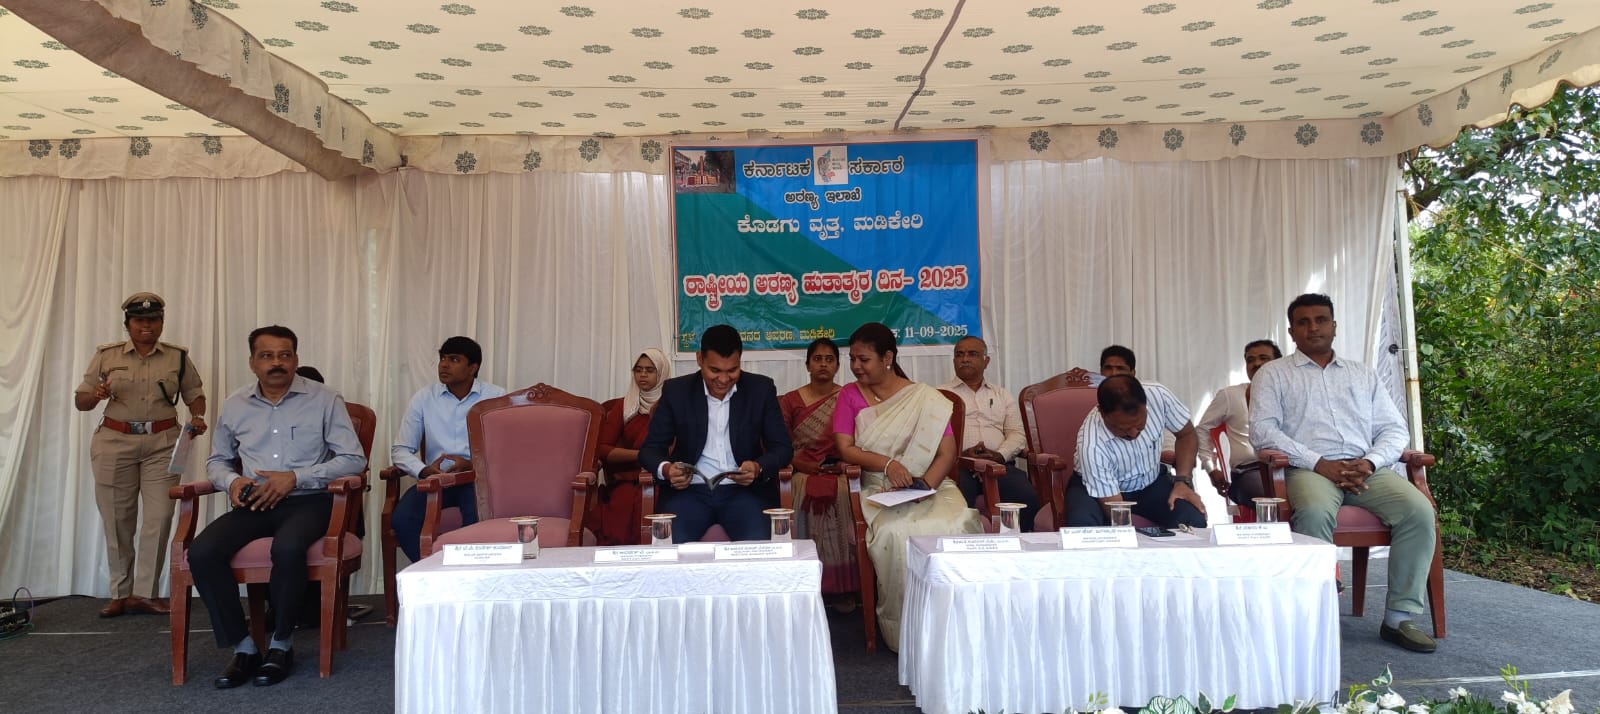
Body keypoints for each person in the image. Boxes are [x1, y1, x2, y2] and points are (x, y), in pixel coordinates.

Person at [1250, 293, 1438, 654]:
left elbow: (1394, 428)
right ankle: (1316, 616)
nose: (1313, 328)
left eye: (1321, 320)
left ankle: (1399, 617)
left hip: (1364, 468)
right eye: (1303, 322)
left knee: (1418, 512)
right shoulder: (1272, 374)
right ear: (1291, 331)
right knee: (1314, 512)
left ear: (1334, 326)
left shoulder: (1361, 373)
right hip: (1308, 469)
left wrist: (1370, 462)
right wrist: (1320, 462)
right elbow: (1264, 431)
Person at [193, 325, 366, 688]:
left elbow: (354, 459)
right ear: (252, 362)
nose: (276, 363)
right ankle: (244, 648)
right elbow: (217, 460)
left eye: (284, 355)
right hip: (255, 502)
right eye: (267, 356)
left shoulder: (325, 399)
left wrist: (296, 477)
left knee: (287, 548)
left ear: (296, 360)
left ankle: (281, 644)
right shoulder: (235, 404)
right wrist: (232, 481)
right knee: (203, 551)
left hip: (310, 501)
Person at [834, 323, 983, 651]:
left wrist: (923, 486)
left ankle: (957, 624)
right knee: (895, 533)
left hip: (931, 484)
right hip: (880, 488)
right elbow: (845, 449)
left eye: (863, 359)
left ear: (887, 358)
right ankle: (908, 630)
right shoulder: (849, 395)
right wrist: (888, 464)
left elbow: (947, 453)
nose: (856, 366)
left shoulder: (925, 398)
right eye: (852, 359)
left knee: (958, 524)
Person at [73, 291, 207, 618]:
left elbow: (194, 393)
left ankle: (145, 594)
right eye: (139, 320)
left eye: (153, 320)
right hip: (114, 443)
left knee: (160, 518)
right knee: (118, 519)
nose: (146, 325)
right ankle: (120, 594)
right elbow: (81, 401)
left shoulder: (177, 357)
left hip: (163, 443)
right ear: (128, 324)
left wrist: (198, 416)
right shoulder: (106, 356)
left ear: (161, 322)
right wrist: (97, 394)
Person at [639, 325, 793, 542]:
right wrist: (667, 470)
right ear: (699, 359)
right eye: (715, 370)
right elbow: (650, 450)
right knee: (671, 547)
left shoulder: (760, 389)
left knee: (759, 546)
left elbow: (783, 448)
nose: (723, 379)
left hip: (745, 493)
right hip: (689, 493)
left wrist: (758, 468)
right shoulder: (677, 391)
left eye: (732, 370)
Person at [389, 337, 507, 562]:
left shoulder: (495, 396)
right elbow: (400, 449)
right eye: (443, 359)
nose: (444, 365)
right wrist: (424, 471)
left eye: (454, 360)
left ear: (473, 368)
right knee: (402, 519)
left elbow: (507, 448)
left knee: (477, 521)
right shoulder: (424, 397)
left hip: (477, 480)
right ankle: (434, 572)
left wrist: (472, 464)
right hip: (437, 480)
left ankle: (471, 575)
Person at [1063, 375, 1208, 529]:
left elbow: (1186, 435)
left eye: (1140, 425)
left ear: (1146, 405)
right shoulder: (1091, 444)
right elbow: (1116, 512)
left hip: (1151, 482)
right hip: (1097, 490)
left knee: (1193, 518)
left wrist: (1182, 482)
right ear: (1102, 413)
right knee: (1082, 525)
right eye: (1123, 429)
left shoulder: (1159, 395)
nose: (1133, 434)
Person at [779, 338, 858, 595]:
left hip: (841, 471)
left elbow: (860, 440)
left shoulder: (848, 397)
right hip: (801, 471)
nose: (823, 364)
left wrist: (844, 464)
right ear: (807, 365)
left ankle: (844, 588)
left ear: (837, 366)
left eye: (829, 359)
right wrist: (798, 463)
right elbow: (779, 444)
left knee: (844, 494)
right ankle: (805, 585)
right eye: (817, 359)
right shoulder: (790, 401)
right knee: (802, 493)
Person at [939, 336, 1041, 531]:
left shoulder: (1001, 394)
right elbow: (932, 436)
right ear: (954, 361)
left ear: (986, 361)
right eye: (959, 355)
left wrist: (999, 456)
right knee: (957, 506)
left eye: (972, 354)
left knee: (1026, 497)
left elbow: (1017, 434)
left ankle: (1012, 543)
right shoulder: (939, 394)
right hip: (958, 467)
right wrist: (959, 455)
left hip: (998, 465)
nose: (965, 359)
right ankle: (969, 547)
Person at [590, 348, 671, 546]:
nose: (642, 375)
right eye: (638, 369)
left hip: (665, 480)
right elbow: (603, 449)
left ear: (662, 373)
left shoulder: (673, 405)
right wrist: (642, 456)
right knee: (620, 512)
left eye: (650, 370)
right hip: (628, 479)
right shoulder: (625, 406)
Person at [1196, 339, 1281, 507]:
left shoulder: (1292, 394)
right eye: (1250, 360)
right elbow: (1202, 429)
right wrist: (1211, 468)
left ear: (1279, 363)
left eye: (1263, 358)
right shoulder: (1230, 395)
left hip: (1289, 469)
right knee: (1273, 503)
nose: (1256, 364)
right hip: (1249, 472)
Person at [1063, 344, 1138, 385]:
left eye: (1120, 368)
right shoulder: (1090, 393)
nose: (1113, 373)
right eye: (1108, 368)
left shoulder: (1141, 399)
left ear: (1132, 373)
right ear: (1101, 371)